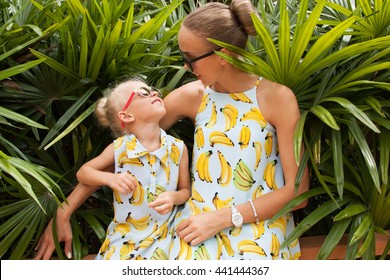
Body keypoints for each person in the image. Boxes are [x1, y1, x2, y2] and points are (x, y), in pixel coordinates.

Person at [34, 0, 309, 260]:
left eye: (190, 58)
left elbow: (297, 193)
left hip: (258, 227)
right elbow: (130, 151)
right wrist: (64, 210)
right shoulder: (193, 96)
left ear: (222, 55)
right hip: (192, 228)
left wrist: (224, 218)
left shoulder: (277, 98)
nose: (185, 67)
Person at [37, 78, 191, 260]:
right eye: (144, 93)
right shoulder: (121, 148)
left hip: (166, 234)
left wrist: (173, 197)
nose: (155, 93)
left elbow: (185, 190)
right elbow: (83, 173)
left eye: (153, 90)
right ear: (126, 116)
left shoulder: (178, 148)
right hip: (126, 236)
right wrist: (110, 179)